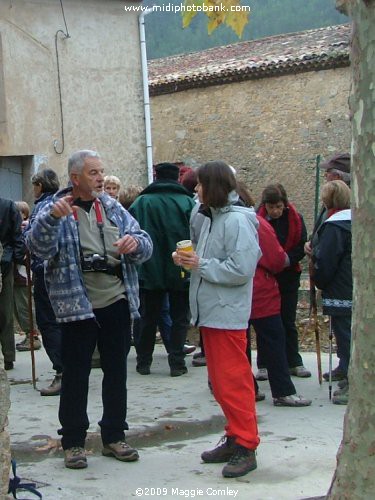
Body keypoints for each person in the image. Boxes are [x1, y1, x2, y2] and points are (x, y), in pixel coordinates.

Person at [25, 150, 153, 469]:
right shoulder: (54, 208)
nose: (100, 178)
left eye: (101, 171)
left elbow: (145, 242)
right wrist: (52, 219)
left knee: (116, 372)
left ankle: (113, 436)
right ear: (75, 178)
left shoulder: (111, 208)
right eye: (93, 172)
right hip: (76, 307)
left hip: (116, 301)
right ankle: (73, 443)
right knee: (76, 375)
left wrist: (135, 245)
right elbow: (36, 249)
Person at [173, 161, 261, 479]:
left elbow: (241, 270)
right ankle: (236, 435)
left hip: (227, 313)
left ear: (214, 187)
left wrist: (200, 263)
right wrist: (190, 258)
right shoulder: (209, 216)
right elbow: (211, 259)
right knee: (222, 384)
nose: (195, 189)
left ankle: (246, 445)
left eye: (199, 185)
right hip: (212, 311)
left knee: (233, 382)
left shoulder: (237, 221)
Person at [129, 162, 195, 377]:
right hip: (181, 268)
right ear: (177, 178)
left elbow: (129, 232)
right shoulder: (187, 203)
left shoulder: (142, 202)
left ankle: (143, 362)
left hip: (150, 268)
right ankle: (177, 363)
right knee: (179, 317)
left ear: (156, 177)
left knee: (148, 317)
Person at [257, 184, 310, 379]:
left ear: (284, 205)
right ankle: (264, 363)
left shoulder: (295, 219)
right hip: (267, 275)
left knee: (287, 320)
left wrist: (286, 259)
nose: (276, 211)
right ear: (266, 206)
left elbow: (301, 243)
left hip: (288, 275)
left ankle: (294, 361)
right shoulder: (258, 221)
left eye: (279, 206)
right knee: (266, 322)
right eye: (272, 207)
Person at [22, 169, 65, 395]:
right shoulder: (59, 203)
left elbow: (34, 241)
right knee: (63, 322)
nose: (33, 189)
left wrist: (25, 234)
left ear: (40, 185)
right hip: (62, 274)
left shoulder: (42, 207)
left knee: (49, 323)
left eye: (35, 184)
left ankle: (62, 371)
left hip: (46, 272)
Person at [312, 180, 352, 404]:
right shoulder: (357, 220)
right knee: (346, 333)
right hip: (353, 287)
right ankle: (345, 367)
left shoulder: (335, 225)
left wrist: (320, 279)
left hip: (341, 289)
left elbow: (327, 260)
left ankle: (351, 378)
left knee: (345, 333)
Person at [305, 153, 351, 257]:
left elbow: (334, 243)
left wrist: (316, 251)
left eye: (327, 173)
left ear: (337, 177)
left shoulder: (349, 203)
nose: (325, 176)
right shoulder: (332, 196)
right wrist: (311, 242)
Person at [0, 196, 25, 370]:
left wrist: (15, 261)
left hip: (4, 265)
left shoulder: (7, 206)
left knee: (5, 312)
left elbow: (17, 236)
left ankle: (8, 356)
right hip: (6, 262)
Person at [13, 201, 42, 352]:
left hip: (24, 276)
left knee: (25, 308)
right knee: (18, 308)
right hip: (19, 276)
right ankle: (29, 335)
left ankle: (33, 337)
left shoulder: (25, 231)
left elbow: (22, 253)